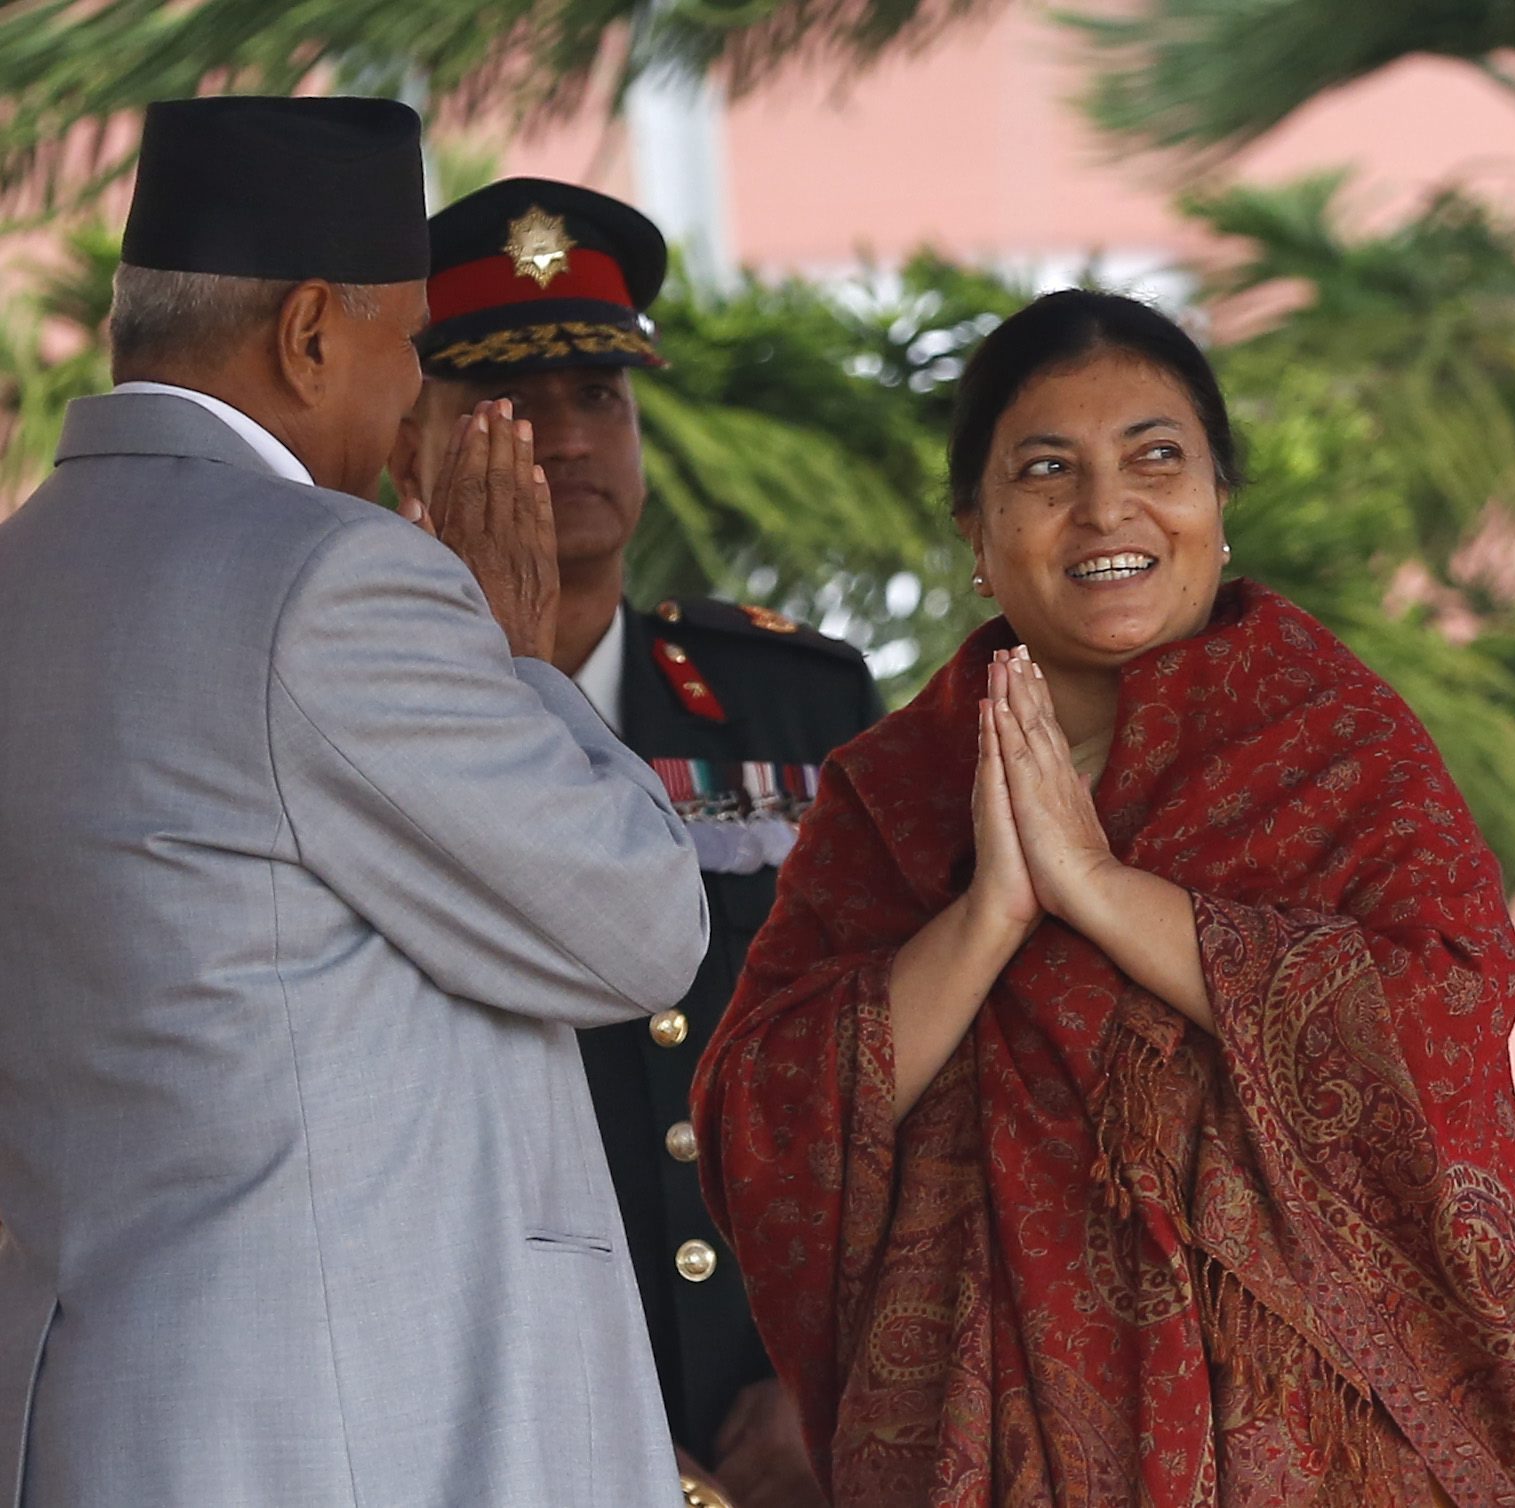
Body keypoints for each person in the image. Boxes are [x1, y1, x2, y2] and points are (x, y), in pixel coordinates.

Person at [690, 289, 1515, 1507]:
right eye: (1047, 470)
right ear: (977, 532)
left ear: (1216, 501)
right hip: (980, 1458)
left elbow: (1442, 1019)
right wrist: (989, 912)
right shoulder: (894, 793)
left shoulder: (1336, 746)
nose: (1107, 509)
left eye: (1156, 458)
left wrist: (1101, 892)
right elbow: (763, 1124)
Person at [0, 98, 707, 1505]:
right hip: (348, 1436)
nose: (407, 408)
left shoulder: (28, 573)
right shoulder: (329, 579)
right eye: (411, 349)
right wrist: (517, 666)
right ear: (310, 332)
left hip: (110, 1426)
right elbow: (636, 927)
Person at [390, 176, 881, 1507]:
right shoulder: (359, 709)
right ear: (404, 441)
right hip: (495, 1412)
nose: (564, 438)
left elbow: (885, 1054)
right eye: (507, 404)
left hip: (775, 1417)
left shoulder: (795, 701)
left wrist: (825, 1373)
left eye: (598, 395)